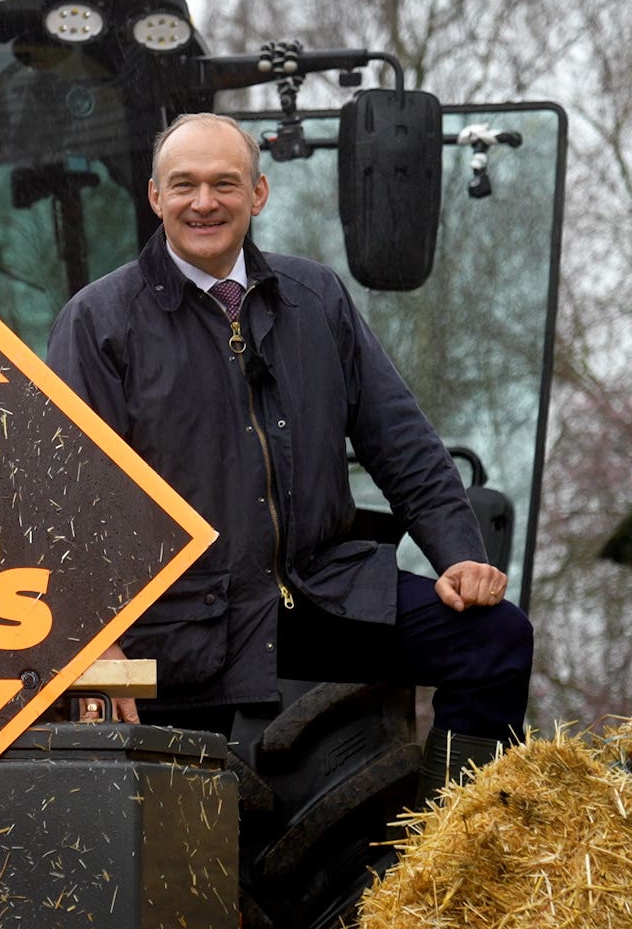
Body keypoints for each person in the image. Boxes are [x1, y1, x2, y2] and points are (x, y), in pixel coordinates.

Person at [46, 112, 533, 798]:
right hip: (180, 617)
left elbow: (402, 444)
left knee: (493, 640)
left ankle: (452, 858)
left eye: (225, 183)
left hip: (316, 591)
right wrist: (92, 636)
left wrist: (458, 554)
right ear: (155, 198)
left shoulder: (318, 300)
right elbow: (63, 498)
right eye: (183, 185)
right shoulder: (99, 321)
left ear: (259, 194)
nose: (204, 202)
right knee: (184, 835)